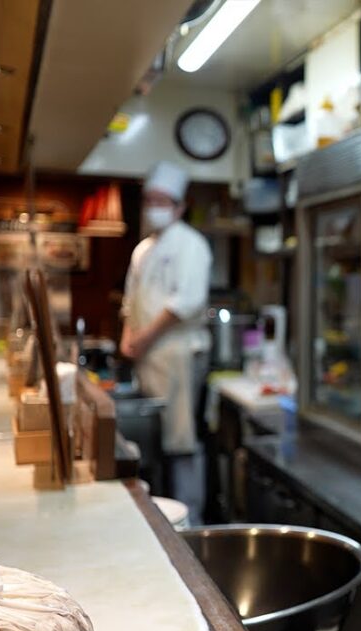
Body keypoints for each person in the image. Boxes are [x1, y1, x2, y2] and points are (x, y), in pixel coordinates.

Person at [121, 161, 212, 525]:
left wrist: (143, 338)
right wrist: (128, 338)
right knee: (156, 445)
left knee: (181, 442)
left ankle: (190, 521)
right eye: (149, 200)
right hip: (148, 357)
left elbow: (184, 303)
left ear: (179, 206)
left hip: (178, 355)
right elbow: (130, 301)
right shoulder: (143, 250)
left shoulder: (192, 245)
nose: (154, 207)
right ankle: (159, 520)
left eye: (162, 201)